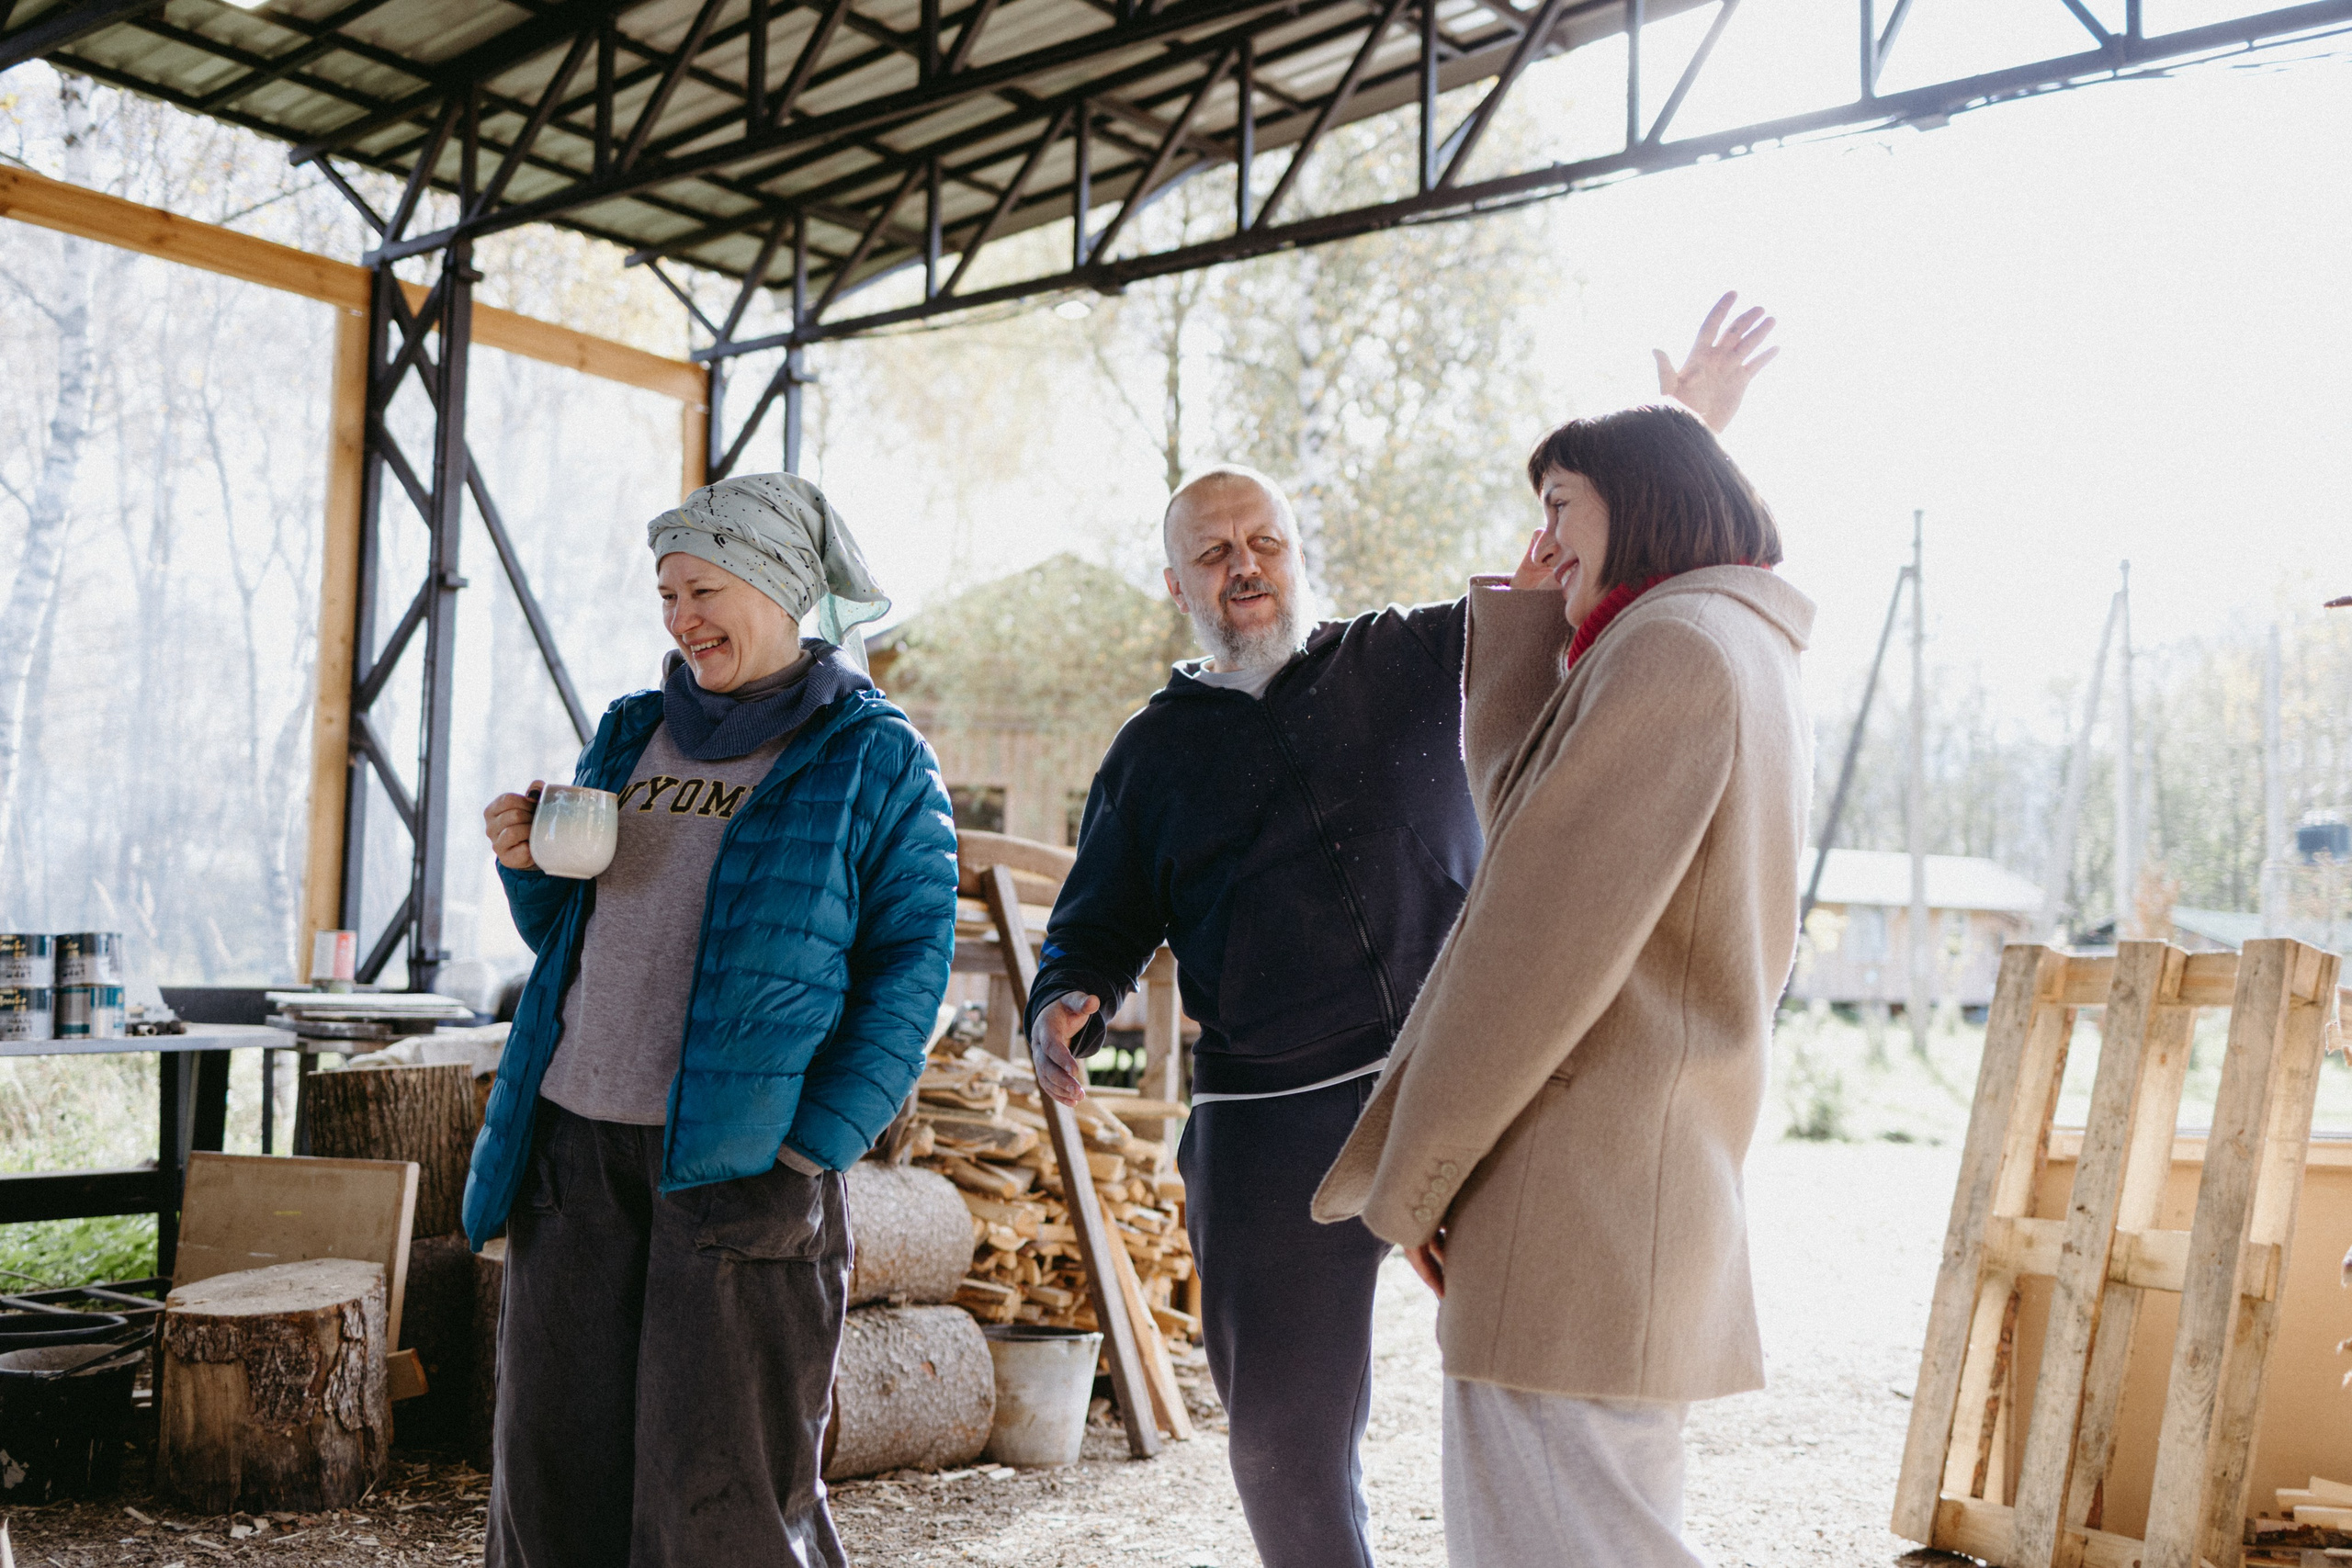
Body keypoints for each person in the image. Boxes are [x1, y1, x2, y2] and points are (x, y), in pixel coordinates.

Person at [1024, 299, 1779, 1568]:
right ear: (1176, 583)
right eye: (1212, 551)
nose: (1243, 562)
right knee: (1284, 1435)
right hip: (1270, 1121)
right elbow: (1099, 911)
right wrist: (1067, 991)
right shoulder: (1153, 751)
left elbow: (1572, 567)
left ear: (1300, 551)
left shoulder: (1413, 653)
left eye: (1264, 537)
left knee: (1533, 1400)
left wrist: (1687, 427)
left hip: (1464, 1082)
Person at [1310, 403, 1814, 1567]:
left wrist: (1424, 1176)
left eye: (1558, 505)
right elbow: (1536, 833)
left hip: (1572, 1190)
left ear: (1637, 500)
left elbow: (1528, 953)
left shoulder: (1669, 651)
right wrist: (1531, 624)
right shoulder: (1731, 642)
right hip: (1635, 1185)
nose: (1545, 536)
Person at [467, 474, 958, 1568]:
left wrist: (814, 1140)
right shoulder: (632, 731)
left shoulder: (871, 756)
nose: (681, 618)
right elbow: (579, 932)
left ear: (781, 587)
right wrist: (526, 865)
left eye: (703, 589)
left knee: (723, 1492)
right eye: (666, 595)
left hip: (745, 1163)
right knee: (551, 1477)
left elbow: (911, 970)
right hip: (576, 1143)